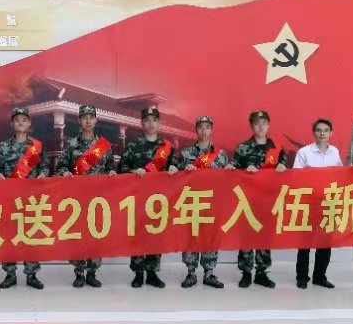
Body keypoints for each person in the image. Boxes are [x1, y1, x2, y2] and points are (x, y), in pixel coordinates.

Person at [56, 104, 117, 288]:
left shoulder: (104, 146)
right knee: (78, 235)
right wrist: (65, 172)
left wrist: (112, 173)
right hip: (78, 199)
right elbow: (60, 167)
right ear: (79, 120)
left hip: (98, 199)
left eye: (91, 117)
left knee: (96, 234)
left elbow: (111, 168)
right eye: (84, 117)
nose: (88, 121)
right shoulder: (71, 145)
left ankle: (92, 272)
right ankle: (79, 273)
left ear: (96, 120)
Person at [118, 107, 177, 289]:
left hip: (160, 198)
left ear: (159, 123)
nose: (151, 124)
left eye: (154, 120)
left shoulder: (167, 147)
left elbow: (176, 168)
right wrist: (134, 171)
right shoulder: (134, 145)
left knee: (156, 234)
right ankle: (138, 273)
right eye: (147, 120)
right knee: (139, 235)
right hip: (139, 198)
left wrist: (174, 169)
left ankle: (152, 273)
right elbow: (121, 168)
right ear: (142, 123)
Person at [0, 108, 49, 290]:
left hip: (31, 199)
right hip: (9, 198)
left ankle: (31, 274)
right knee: (9, 236)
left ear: (29, 123)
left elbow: (45, 167)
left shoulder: (37, 147)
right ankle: (10, 274)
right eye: (17, 120)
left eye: (24, 120)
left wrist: (43, 174)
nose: (21, 123)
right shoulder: (3, 146)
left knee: (31, 235)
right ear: (12, 124)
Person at [232, 110, 287, 289]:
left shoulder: (277, 148)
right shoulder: (243, 148)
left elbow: (286, 171)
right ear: (251, 126)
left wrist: (282, 167)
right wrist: (243, 170)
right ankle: (246, 273)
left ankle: (261, 273)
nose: (261, 127)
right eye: (257, 123)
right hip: (247, 200)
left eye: (264, 123)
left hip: (268, 199)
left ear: (269, 125)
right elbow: (232, 171)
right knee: (247, 236)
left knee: (264, 236)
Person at [177, 115, 232, 289]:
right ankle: (191, 273)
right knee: (191, 236)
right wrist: (183, 170)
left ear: (211, 130)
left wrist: (230, 171)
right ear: (196, 130)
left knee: (211, 236)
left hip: (212, 202)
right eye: (200, 127)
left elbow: (228, 178)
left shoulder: (221, 155)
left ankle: (209, 273)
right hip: (192, 201)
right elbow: (175, 177)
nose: (204, 130)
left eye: (207, 127)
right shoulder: (186, 153)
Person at [293, 118, 342, 289]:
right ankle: (302, 277)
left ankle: (320, 276)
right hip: (308, 202)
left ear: (331, 133)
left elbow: (340, 174)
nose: (322, 133)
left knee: (325, 242)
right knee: (305, 242)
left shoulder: (335, 152)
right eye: (319, 130)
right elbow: (296, 177)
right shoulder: (304, 152)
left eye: (326, 130)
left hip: (328, 202)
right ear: (314, 132)